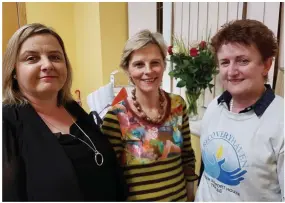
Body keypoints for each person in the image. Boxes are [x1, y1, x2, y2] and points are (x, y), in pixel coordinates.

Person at [2, 23, 128, 201]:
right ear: (14, 70)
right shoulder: (6, 123)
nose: (47, 65)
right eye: (31, 58)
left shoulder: (73, 108)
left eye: (55, 57)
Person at [101, 30, 199, 201]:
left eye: (155, 63)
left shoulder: (178, 105)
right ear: (128, 69)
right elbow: (109, 176)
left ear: (163, 65)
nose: (148, 71)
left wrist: (191, 194)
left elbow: (187, 156)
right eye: (139, 64)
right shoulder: (116, 116)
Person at [195, 19, 284, 201]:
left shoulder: (280, 121)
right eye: (225, 62)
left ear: (266, 65)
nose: (232, 71)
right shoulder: (215, 107)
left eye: (243, 61)